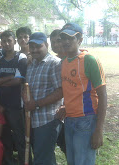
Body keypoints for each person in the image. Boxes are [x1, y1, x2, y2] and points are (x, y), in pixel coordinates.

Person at [60, 23, 107, 165]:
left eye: (71, 38)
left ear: (79, 39)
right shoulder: (63, 62)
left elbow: (103, 96)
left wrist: (98, 130)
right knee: (73, 162)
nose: (66, 41)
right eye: (63, 38)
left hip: (86, 120)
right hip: (69, 121)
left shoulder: (89, 60)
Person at [23, 32, 63, 165]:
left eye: (38, 46)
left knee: (42, 159)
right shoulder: (31, 64)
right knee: (45, 157)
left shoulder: (55, 64)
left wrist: (37, 104)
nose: (34, 50)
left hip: (48, 120)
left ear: (46, 45)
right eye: (31, 46)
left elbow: (61, 91)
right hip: (33, 119)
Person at [0, 30, 27, 165]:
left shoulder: (21, 58)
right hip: (1, 105)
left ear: (14, 42)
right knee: (4, 137)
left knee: (20, 137)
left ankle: (25, 161)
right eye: (4, 41)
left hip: (17, 105)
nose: (6, 43)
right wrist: (11, 77)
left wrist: (2, 81)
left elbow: (18, 81)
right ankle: (8, 162)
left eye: (9, 41)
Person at [50, 29, 67, 157]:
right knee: (62, 142)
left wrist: (66, 105)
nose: (55, 44)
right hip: (57, 109)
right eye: (52, 42)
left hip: (70, 109)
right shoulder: (54, 61)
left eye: (58, 41)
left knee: (69, 146)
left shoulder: (71, 59)